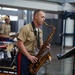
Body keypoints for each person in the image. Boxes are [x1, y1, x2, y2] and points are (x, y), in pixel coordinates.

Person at [16, 9, 50, 75]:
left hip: (33, 57)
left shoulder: (40, 31)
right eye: (42, 17)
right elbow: (19, 43)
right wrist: (28, 56)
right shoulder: (26, 28)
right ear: (35, 16)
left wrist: (45, 46)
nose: (44, 19)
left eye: (44, 17)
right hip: (23, 57)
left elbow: (40, 47)